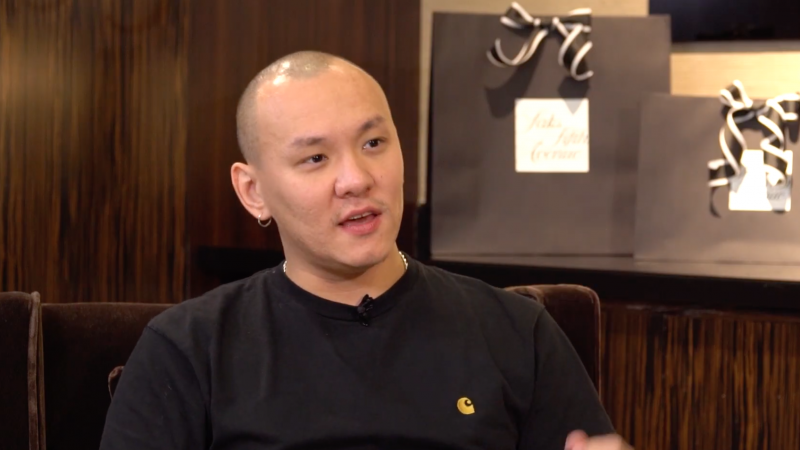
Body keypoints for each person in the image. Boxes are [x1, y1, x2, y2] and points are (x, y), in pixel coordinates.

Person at [99, 51, 632, 450]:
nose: (356, 179)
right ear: (253, 191)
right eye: (315, 158)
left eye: (374, 143)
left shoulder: (518, 332)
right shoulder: (187, 349)